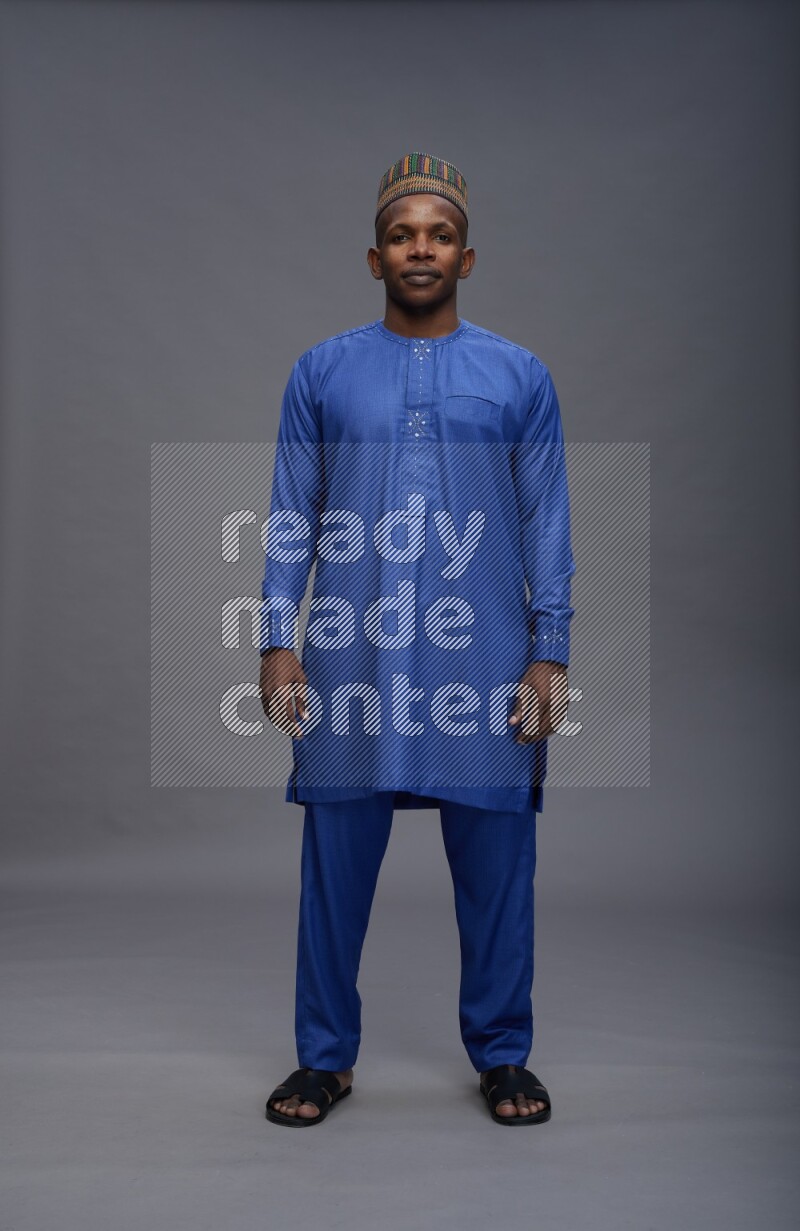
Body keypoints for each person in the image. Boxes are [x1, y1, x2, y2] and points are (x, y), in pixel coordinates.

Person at [259, 152, 575, 1127]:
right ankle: (323, 1057)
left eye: (438, 234)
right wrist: (277, 638)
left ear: (466, 257)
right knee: (333, 862)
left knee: (497, 862)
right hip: (353, 654)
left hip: (480, 658)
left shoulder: (517, 375)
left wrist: (548, 649)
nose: (420, 249)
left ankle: (503, 1053)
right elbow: (290, 514)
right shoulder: (321, 371)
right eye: (402, 235)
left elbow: (545, 521)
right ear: (373, 256)